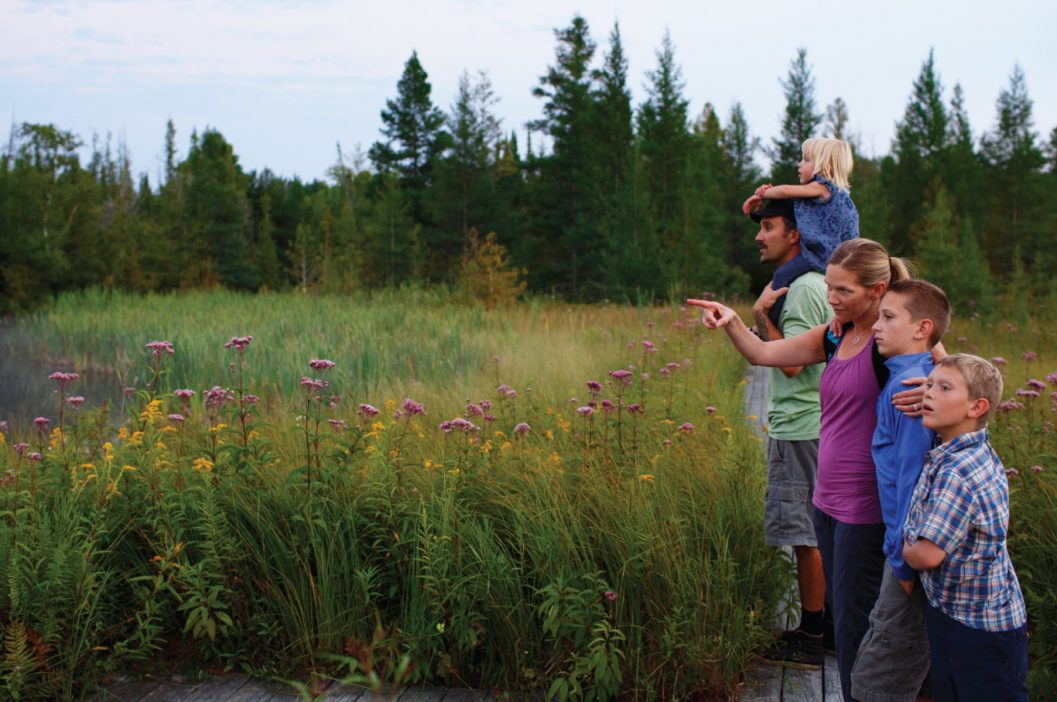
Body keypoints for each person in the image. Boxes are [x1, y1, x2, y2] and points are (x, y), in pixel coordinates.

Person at [687, 238, 920, 702]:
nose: (831, 299)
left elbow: (958, 377)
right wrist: (733, 320)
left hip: (864, 510)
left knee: (857, 631)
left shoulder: (893, 345)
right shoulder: (836, 335)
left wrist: (930, 392)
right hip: (826, 504)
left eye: (843, 291)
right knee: (846, 620)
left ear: (878, 291)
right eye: (830, 288)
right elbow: (764, 355)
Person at [903, 355, 1028, 702]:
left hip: (981, 631)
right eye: (928, 384)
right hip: (956, 614)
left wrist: (904, 546)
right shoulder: (963, 452)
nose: (928, 393)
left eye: (944, 388)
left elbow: (927, 554)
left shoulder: (958, 471)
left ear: (977, 407)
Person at [850, 279, 952, 702]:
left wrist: (904, 564)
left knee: (877, 681)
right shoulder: (920, 378)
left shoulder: (910, 389)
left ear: (922, 328)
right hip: (910, 549)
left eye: (889, 317)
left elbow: (911, 484)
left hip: (910, 555)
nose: (877, 324)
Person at [740, 199, 831, 670]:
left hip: (800, 426)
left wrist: (761, 316)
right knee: (820, 530)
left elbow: (792, 363)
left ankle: (812, 637)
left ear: (796, 235)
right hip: (819, 424)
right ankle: (830, 628)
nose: (760, 236)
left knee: (805, 534)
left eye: (770, 227)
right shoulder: (817, 285)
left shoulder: (798, 292)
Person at [742, 137, 859, 331]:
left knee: (781, 279)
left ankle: (769, 324)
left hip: (822, 257)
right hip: (839, 259)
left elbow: (787, 190)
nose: (799, 164)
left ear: (824, 166)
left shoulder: (823, 188)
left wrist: (762, 194)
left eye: (806, 159)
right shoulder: (832, 196)